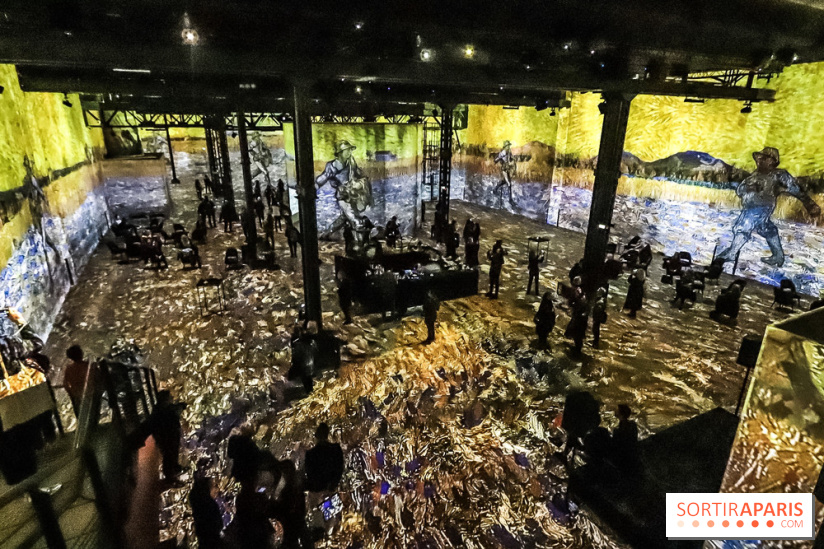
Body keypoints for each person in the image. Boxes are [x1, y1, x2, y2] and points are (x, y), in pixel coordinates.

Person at [718, 147, 821, 267]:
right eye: (759, 158)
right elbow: (740, 190)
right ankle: (778, 256)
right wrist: (748, 188)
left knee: (742, 227)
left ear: (772, 161)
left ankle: (732, 253)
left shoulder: (779, 175)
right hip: (751, 206)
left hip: (760, 207)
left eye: (763, 158)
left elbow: (796, 190)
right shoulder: (755, 175)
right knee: (766, 228)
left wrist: (810, 205)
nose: (759, 161)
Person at [315, 140, 372, 238]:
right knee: (355, 219)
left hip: (353, 194)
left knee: (344, 217)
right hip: (343, 196)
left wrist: (361, 182)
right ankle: (359, 242)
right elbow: (322, 179)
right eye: (347, 150)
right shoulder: (332, 166)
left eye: (350, 150)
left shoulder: (351, 162)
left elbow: (357, 174)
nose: (349, 152)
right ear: (340, 153)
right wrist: (314, 187)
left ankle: (326, 234)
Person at [149, 390, 186, 481]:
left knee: (171, 453)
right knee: (169, 453)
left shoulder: (161, 409)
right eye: (169, 397)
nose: (171, 399)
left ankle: (172, 470)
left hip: (168, 435)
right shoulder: (163, 410)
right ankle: (170, 474)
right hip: (167, 435)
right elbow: (172, 413)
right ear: (165, 399)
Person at [304, 423, 345, 494]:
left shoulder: (311, 454)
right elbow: (339, 468)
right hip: (328, 488)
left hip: (319, 489)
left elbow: (310, 474)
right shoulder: (335, 450)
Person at [190, 476, 223, 549]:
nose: (216, 489)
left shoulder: (196, 503)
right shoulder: (210, 504)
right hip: (211, 539)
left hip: (202, 538)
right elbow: (219, 524)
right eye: (213, 486)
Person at [63, 345, 95, 414]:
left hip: (77, 398)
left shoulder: (69, 369)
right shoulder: (88, 366)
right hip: (90, 396)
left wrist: (72, 395)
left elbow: (65, 384)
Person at [612, 404, 640, 471]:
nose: (615, 411)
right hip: (633, 454)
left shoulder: (618, 430)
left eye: (617, 410)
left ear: (621, 414)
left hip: (623, 457)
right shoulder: (633, 425)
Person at [494, 140, 516, 206]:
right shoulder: (502, 153)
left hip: (507, 168)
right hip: (504, 169)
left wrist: (513, 160)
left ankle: (495, 189)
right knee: (509, 183)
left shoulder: (509, 152)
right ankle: (510, 200)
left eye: (509, 145)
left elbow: (511, 158)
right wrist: (498, 159)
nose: (509, 147)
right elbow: (496, 160)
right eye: (508, 146)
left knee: (504, 181)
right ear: (505, 146)